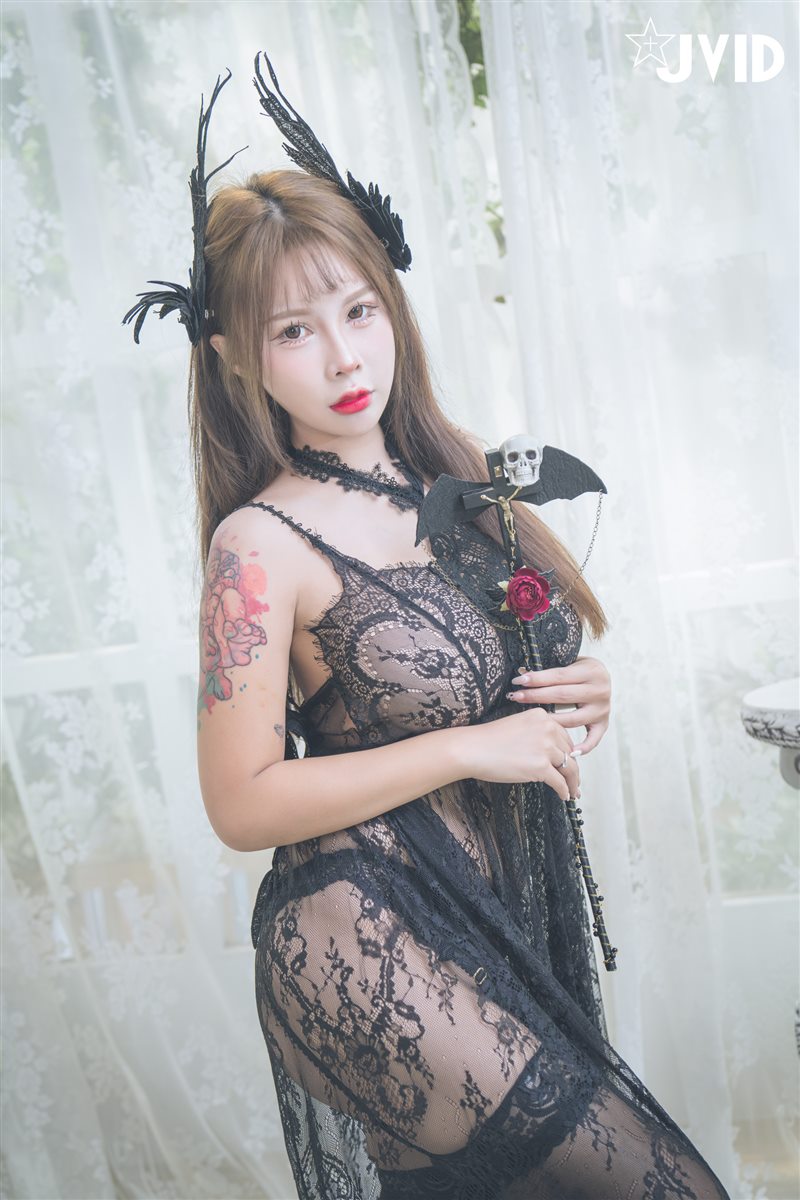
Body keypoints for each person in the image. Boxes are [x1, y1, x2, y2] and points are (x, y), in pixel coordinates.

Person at [128, 58, 732, 1200]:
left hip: (482, 919)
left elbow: (494, 683)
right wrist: (469, 747)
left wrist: (577, 685)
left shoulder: (455, 480)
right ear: (234, 353)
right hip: (362, 933)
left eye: (359, 311)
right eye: (295, 330)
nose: (344, 356)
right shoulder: (259, 545)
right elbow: (240, 802)